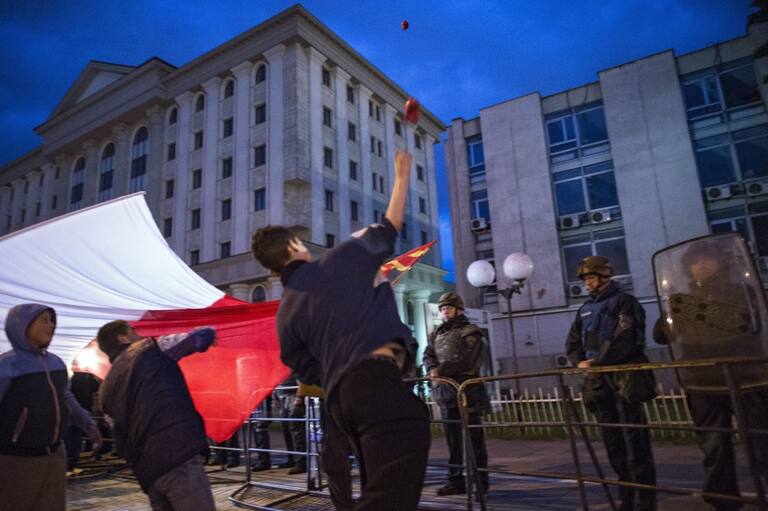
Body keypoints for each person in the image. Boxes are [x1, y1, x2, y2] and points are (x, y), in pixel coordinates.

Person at [251, 150, 431, 511]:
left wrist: (335, 370)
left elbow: (302, 366)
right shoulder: (342, 258)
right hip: (375, 381)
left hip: (340, 401)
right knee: (403, 449)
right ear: (295, 247)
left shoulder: (285, 312)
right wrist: (401, 177)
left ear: (272, 270)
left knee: (376, 475)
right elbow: (390, 226)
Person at [653, 241, 768, 510]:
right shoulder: (682, 299)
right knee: (714, 445)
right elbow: (661, 334)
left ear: (721, 261)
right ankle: (723, 499)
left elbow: (745, 323)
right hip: (702, 380)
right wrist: (672, 311)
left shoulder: (741, 291)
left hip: (745, 377)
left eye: (708, 258)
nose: (701, 265)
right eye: (695, 261)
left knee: (761, 441)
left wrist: (689, 309)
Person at [565, 256, 657, 511]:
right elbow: (573, 341)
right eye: (585, 278)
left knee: (634, 442)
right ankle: (627, 497)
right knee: (613, 443)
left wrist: (597, 363)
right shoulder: (585, 309)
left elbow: (624, 339)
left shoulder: (625, 302)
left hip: (624, 379)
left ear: (605, 276)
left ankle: (644, 501)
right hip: (599, 382)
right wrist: (580, 361)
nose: (586, 282)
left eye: (590, 277)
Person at [97, 320, 217, 511]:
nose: (139, 334)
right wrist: (213, 332)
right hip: (178, 455)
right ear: (122, 337)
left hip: (147, 470)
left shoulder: (105, 390)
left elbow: (118, 438)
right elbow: (199, 336)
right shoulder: (150, 349)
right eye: (132, 331)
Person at [0, 303, 101, 511]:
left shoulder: (56, 362)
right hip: (16, 459)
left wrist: (88, 424)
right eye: (44, 320)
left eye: (52, 321)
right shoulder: (7, 365)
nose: (51, 326)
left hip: (54, 455)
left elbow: (66, 397)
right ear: (22, 325)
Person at [423, 292, 490, 497]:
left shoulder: (471, 332)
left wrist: (439, 370)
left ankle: (481, 484)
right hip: (446, 394)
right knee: (453, 442)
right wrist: (431, 368)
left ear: (459, 310)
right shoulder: (436, 334)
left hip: (468, 393)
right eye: (443, 308)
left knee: (475, 441)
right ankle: (455, 481)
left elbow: (467, 360)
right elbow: (428, 354)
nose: (445, 312)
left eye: (449, 308)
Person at [63, 371, 102, 475]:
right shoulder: (90, 380)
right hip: (81, 410)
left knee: (71, 439)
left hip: (72, 413)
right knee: (74, 439)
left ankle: (70, 464)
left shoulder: (73, 379)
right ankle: (71, 464)